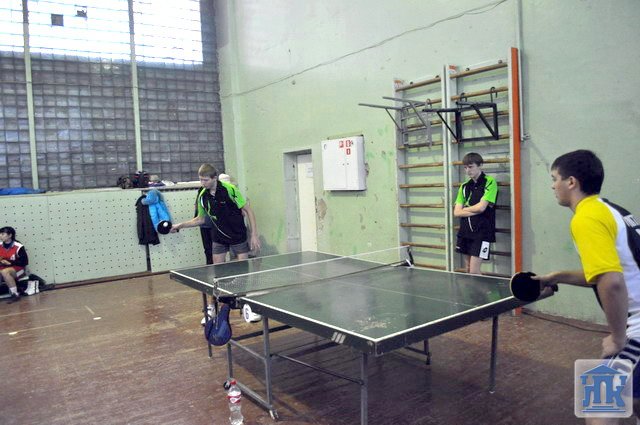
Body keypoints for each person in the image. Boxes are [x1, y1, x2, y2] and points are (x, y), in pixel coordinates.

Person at [535, 149, 640, 424]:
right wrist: (556, 276)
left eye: (555, 178)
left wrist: (618, 337)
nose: (552, 186)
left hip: (638, 328)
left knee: (598, 410)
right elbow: (608, 272)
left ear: (571, 182)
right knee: (635, 398)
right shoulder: (612, 210)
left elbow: (612, 282)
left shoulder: (586, 218)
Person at [171, 164, 260, 263]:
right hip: (218, 237)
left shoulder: (230, 189)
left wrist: (254, 235)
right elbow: (200, 219)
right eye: (200, 180)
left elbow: (248, 210)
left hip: (237, 234)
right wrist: (180, 225)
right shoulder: (202, 195)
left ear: (214, 178)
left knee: (242, 270)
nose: (202, 183)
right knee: (218, 270)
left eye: (206, 180)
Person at [453, 152, 498, 274]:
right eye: (465, 167)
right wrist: (471, 210)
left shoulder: (489, 182)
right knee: (468, 269)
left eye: (471, 167)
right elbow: (456, 212)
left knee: (474, 271)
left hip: (482, 233)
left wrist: (465, 209)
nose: (468, 170)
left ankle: (481, 288)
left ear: (480, 165)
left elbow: (481, 208)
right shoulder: (464, 186)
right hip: (465, 231)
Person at [0, 226, 29, 304]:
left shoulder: (18, 246)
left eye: (3, 234)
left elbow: (25, 262)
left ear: (10, 235)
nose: (0, 236)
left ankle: (15, 294)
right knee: (3, 271)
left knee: (4, 272)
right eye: (0, 234)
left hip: (18, 269)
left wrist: (10, 262)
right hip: (3, 267)